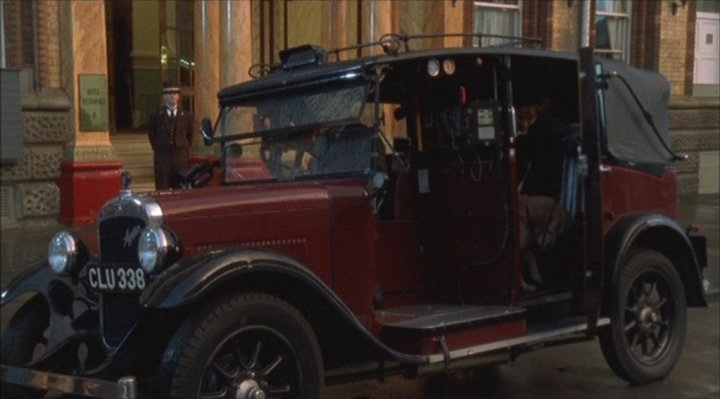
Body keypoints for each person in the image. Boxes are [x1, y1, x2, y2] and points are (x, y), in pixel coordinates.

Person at [515, 93, 577, 198]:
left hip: (542, 189)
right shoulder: (545, 127)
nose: (525, 111)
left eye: (529, 107)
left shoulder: (544, 128)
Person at [148, 81, 194, 189]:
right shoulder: (156, 115)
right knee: (162, 187)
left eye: (174, 93)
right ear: (164, 97)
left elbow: (189, 135)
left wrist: (182, 146)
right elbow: (152, 135)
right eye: (168, 94)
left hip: (180, 157)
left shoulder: (187, 115)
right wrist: (160, 148)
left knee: (181, 187)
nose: (172, 96)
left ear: (178, 96)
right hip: (163, 156)